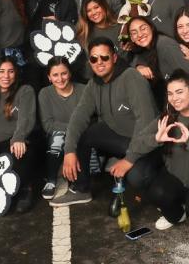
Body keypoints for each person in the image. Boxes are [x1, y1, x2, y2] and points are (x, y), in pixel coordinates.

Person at [50, 37, 158, 207]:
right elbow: (79, 116)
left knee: (137, 178)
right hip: (120, 138)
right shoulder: (94, 84)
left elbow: (146, 124)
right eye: (94, 59)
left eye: (104, 57)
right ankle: (81, 189)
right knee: (84, 134)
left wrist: (129, 160)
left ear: (114, 58)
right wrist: (69, 150)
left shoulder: (132, 78)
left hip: (145, 142)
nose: (99, 62)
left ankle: (156, 179)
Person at [129, 69, 189, 235]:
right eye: (170, 93)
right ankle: (178, 215)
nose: (174, 98)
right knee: (156, 192)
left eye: (179, 92)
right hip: (178, 180)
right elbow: (135, 144)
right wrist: (156, 139)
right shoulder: (165, 120)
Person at [0, 56, 38, 213]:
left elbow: (26, 118)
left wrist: (19, 138)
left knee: (20, 153)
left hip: (18, 143)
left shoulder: (24, 91)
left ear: (16, 73)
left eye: (10, 71)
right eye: (1, 71)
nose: (6, 76)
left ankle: (26, 189)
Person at [38, 57, 86, 200]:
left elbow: (88, 120)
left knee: (92, 172)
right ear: (49, 77)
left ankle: (73, 174)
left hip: (82, 135)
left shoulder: (83, 90)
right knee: (58, 138)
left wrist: (74, 131)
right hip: (57, 136)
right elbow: (48, 125)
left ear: (70, 73)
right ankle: (51, 180)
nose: (60, 78)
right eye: (55, 75)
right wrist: (72, 129)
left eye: (64, 73)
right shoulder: (45, 94)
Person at [127, 16, 189, 106]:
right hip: (172, 100)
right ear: (132, 38)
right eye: (134, 33)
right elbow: (133, 62)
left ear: (151, 28)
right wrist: (138, 67)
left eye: (143, 28)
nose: (140, 34)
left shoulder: (165, 45)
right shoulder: (143, 50)